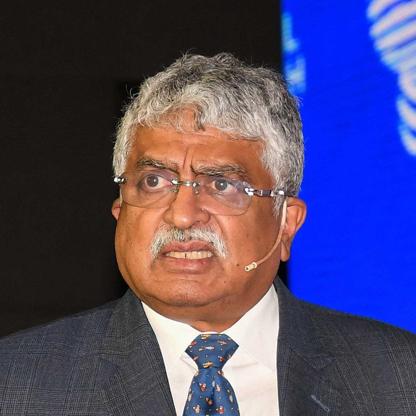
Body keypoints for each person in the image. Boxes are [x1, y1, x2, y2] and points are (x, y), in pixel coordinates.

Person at [0, 53, 415, 416]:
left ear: (286, 223)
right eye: (154, 182)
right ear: (120, 211)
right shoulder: (18, 385)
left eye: (221, 185)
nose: (182, 215)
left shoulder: (399, 379)